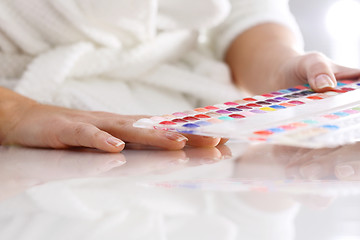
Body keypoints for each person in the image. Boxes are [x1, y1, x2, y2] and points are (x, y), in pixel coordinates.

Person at [0, 0, 359, 153]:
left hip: (187, 123)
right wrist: (15, 113)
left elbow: (242, 13)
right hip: (22, 132)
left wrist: (282, 66)